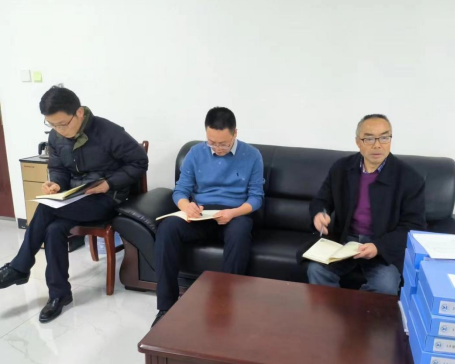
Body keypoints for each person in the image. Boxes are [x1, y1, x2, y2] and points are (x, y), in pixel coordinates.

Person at [0, 86, 148, 322]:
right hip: (76, 199)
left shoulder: (109, 132)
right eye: (52, 125)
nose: (59, 130)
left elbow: (139, 162)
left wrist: (109, 184)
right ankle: (59, 295)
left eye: (62, 124)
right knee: (53, 229)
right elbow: (58, 168)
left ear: (79, 112)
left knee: (46, 208)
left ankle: (20, 266)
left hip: (107, 199)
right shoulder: (56, 136)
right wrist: (56, 184)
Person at [152, 107, 264, 326]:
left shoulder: (252, 155)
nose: (218, 148)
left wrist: (233, 212)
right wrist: (187, 206)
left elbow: (256, 198)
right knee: (167, 228)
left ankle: (226, 304)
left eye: (223, 144)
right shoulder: (195, 153)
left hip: (234, 215)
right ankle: (165, 308)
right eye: (212, 142)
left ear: (235, 133)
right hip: (201, 214)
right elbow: (180, 190)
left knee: (240, 231)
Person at [306, 114, 425, 294]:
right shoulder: (341, 168)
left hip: (382, 244)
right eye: (369, 139)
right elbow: (322, 200)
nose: (377, 145)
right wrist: (319, 214)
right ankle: (330, 310)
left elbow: (414, 225)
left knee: (385, 286)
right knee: (316, 270)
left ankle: (355, 311)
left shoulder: (409, 177)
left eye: (384, 138)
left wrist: (379, 247)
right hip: (345, 241)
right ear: (358, 142)